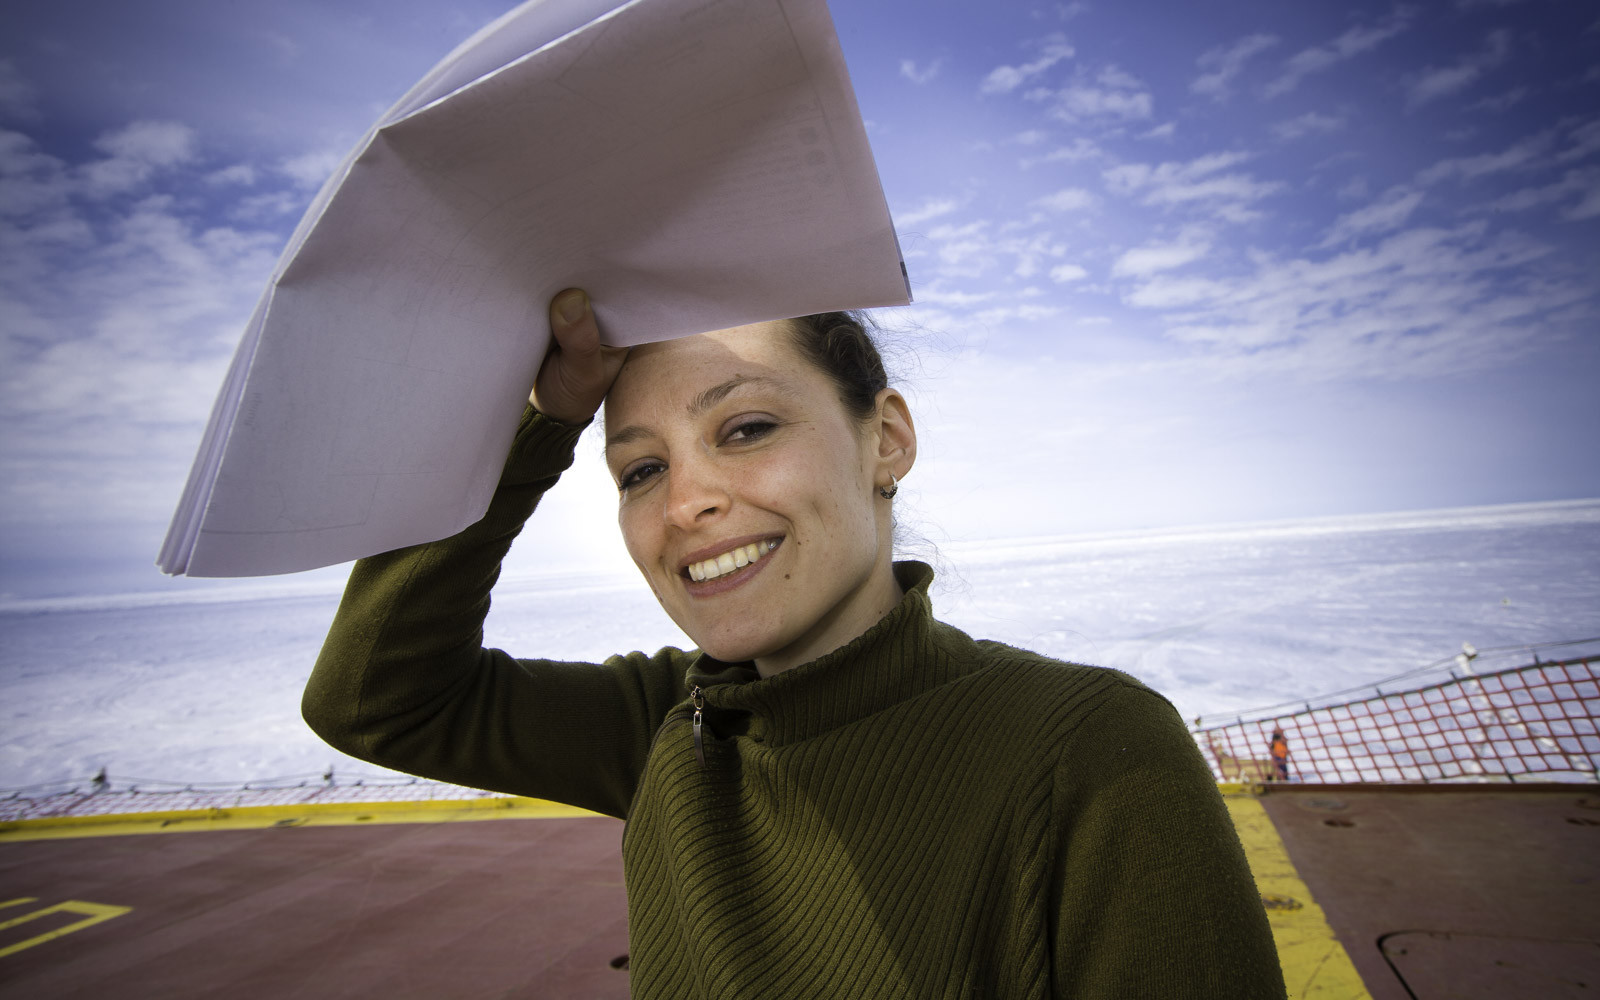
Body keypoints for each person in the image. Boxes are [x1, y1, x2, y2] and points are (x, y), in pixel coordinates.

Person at [304, 289, 1286, 998]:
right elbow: (374, 697)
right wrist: (539, 427)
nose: (684, 503)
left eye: (746, 427)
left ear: (885, 439)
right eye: (640, 470)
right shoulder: (666, 723)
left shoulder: (1093, 751)